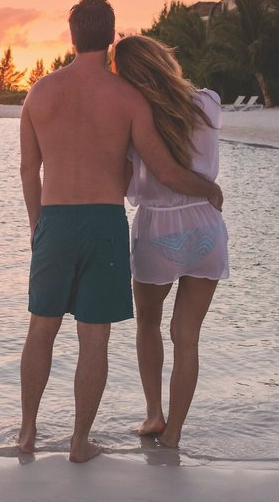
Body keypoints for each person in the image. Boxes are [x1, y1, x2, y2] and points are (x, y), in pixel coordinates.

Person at [18, 0, 222, 463]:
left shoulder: (39, 93)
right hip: (104, 224)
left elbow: (29, 169)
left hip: (54, 219)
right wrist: (207, 189)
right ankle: (78, 441)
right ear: (111, 37)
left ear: (71, 37)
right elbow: (164, 170)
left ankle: (27, 433)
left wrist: (37, 226)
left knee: (40, 331)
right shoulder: (127, 98)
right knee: (94, 338)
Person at [112, 35, 229, 448]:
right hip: (204, 225)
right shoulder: (209, 102)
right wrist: (209, 190)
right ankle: (175, 433)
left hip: (156, 228)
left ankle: (153, 416)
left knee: (148, 325)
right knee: (187, 336)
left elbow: (128, 180)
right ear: (164, 58)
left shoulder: (134, 115)